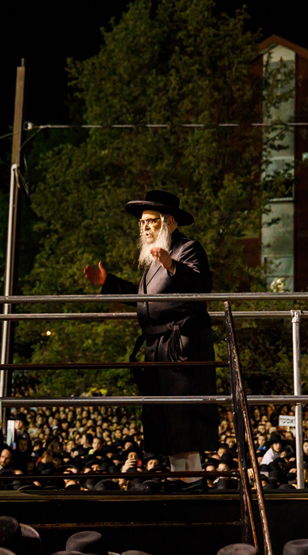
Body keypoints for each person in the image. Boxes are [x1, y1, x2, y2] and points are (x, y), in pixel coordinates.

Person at [84, 189, 218, 482]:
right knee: (166, 423)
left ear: (168, 222)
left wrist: (172, 265)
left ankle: (191, 482)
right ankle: (179, 479)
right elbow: (144, 300)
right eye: (141, 223)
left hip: (180, 346)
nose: (144, 227)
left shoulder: (187, 249)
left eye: (150, 221)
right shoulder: (153, 260)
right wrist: (108, 283)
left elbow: (200, 286)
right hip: (158, 348)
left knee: (183, 422)